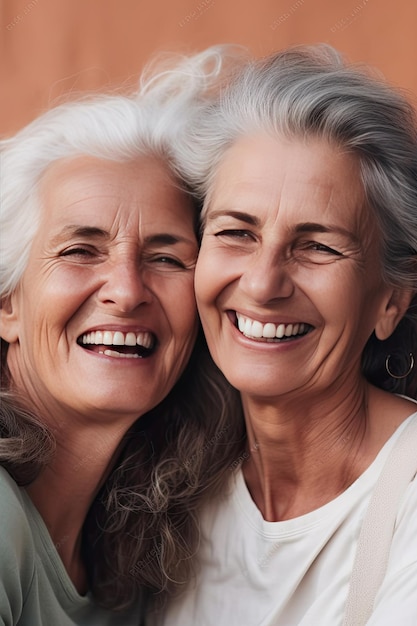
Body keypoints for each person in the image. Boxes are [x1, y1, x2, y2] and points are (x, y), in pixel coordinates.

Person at [148, 45, 417, 625]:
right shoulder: (171, 487)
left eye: (317, 246)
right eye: (236, 233)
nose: (264, 283)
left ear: (391, 300)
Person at [0, 49, 243, 625]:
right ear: (7, 303)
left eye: (166, 256)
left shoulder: (134, 566)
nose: (128, 291)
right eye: (80, 251)